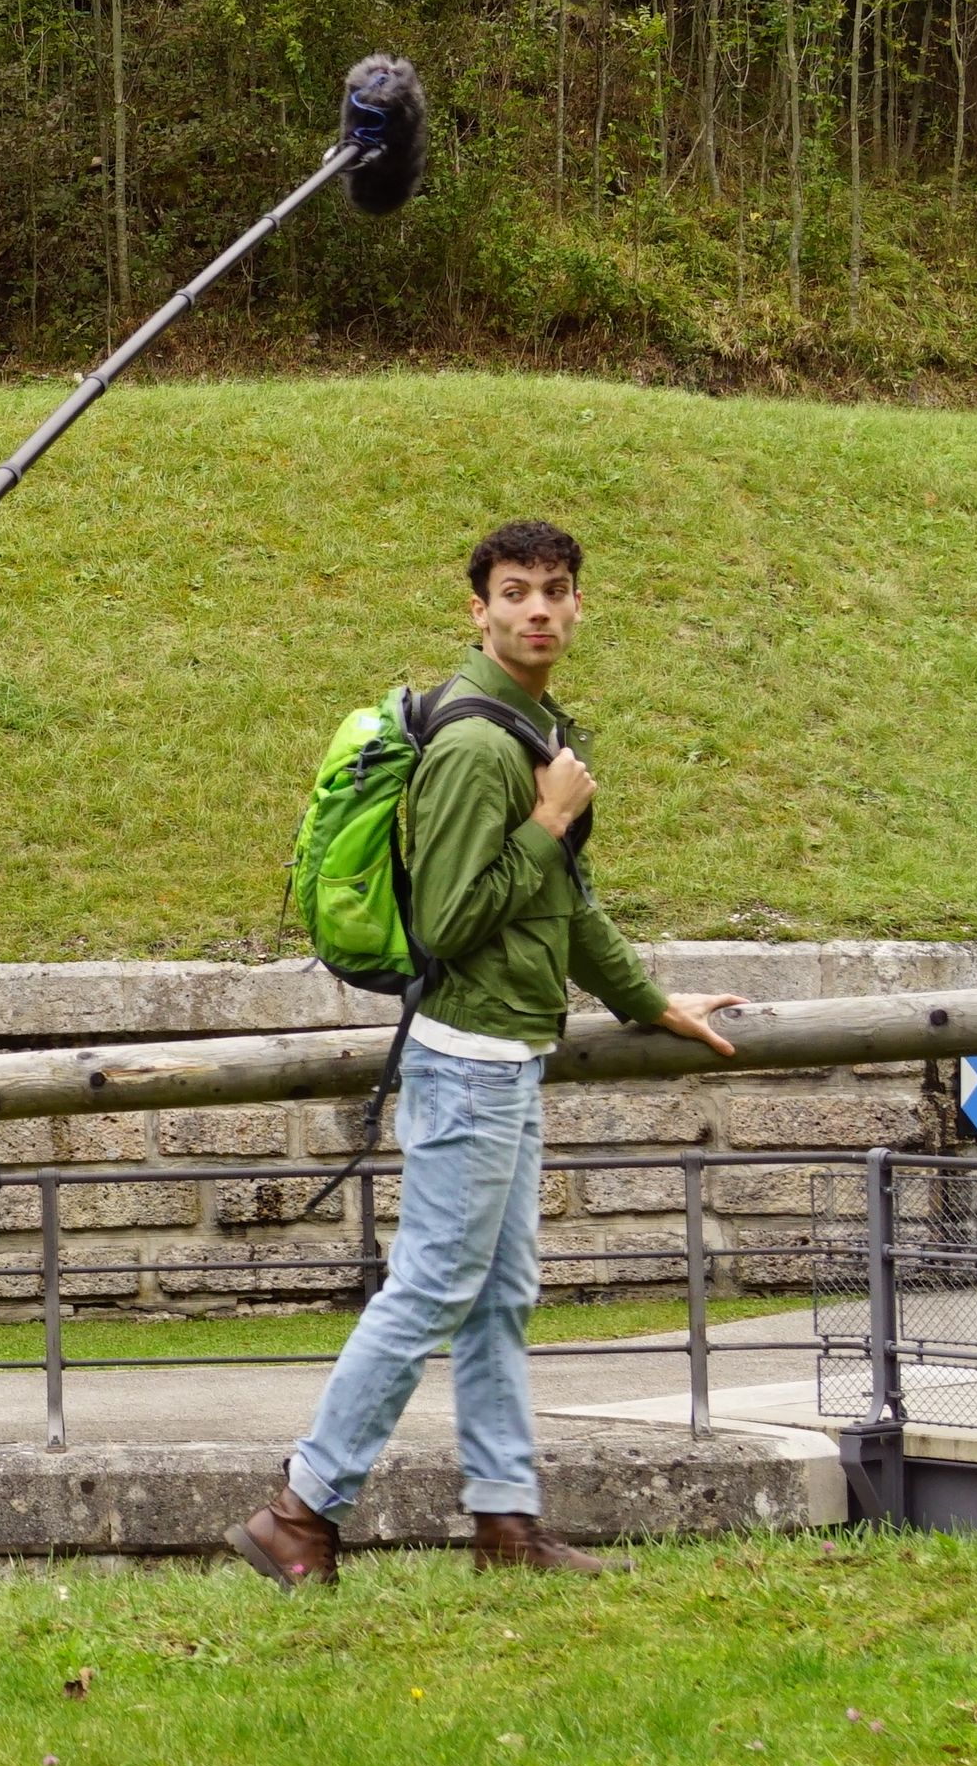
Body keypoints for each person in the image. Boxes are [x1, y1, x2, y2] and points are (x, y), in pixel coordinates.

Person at [237, 519, 744, 1587]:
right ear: (477, 611)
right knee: (426, 1290)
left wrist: (651, 1001)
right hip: (467, 1059)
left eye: (556, 591)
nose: (539, 611)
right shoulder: (478, 748)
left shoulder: (533, 727)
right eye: (515, 592)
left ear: (577, 604)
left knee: (501, 1293)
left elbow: (563, 912)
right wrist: (549, 823)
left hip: (505, 1054)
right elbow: (454, 918)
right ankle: (301, 1510)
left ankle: (505, 1523)